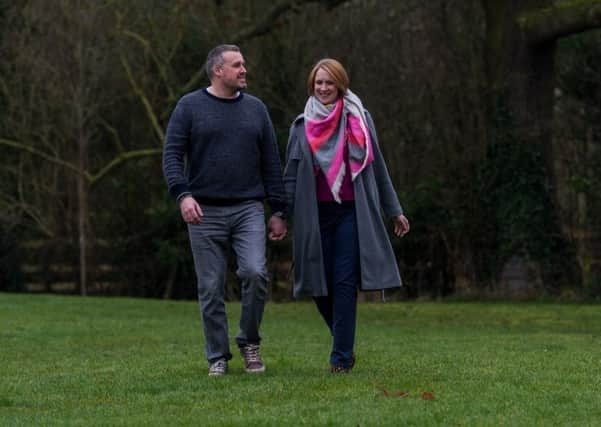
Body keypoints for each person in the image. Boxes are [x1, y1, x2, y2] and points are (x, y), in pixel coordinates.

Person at [162, 44, 287, 376]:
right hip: (204, 211)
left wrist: (279, 210)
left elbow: (272, 163)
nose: (244, 69)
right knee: (211, 286)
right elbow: (172, 156)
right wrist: (183, 196)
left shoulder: (257, 110)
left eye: (244, 64)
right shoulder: (189, 107)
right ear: (218, 70)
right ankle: (217, 355)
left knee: (254, 273)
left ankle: (249, 342)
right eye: (237, 65)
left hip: (248, 208)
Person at [283, 58, 410, 373]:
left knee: (343, 284)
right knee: (315, 285)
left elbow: (378, 167)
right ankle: (344, 342)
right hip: (314, 218)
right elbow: (289, 176)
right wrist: (279, 214)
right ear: (312, 86)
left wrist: (394, 210)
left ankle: (340, 359)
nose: (324, 88)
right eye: (319, 83)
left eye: (330, 83)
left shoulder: (359, 119)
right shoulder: (301, 126)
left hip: (352, 214)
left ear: (341, 84)